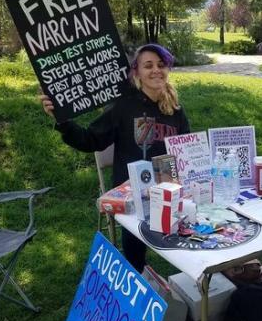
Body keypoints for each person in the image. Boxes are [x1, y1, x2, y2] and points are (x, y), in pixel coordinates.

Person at [40, 44, 190, 272]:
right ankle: (137, 278)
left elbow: (185, 150)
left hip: (169, 191)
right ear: (136, 72)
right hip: (132, 195)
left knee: (191, 234)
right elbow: (90, 140)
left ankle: (189, 279)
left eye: (161, 65)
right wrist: (62, 121)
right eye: (148, 65)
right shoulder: (124, 106)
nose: (156, 70)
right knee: (134, 258)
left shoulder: (175, 110)